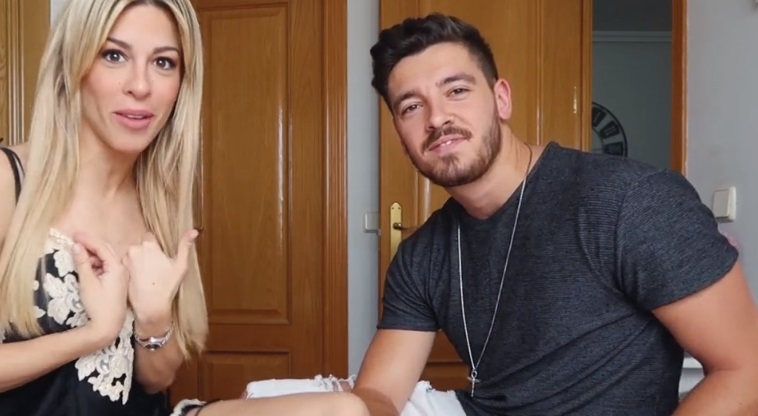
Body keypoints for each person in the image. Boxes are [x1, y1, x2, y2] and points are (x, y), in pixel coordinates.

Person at [348, 12, 758, 416]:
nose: (436, 118)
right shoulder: (421, 256)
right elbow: (379, 394)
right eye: (411, 106)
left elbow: (746, 372)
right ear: (401, 135)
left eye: (456, 90)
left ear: (501, 99)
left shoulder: (631, 200)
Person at [0, 1, 370, 415]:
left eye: (163, 62)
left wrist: (155, 319)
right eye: (114, 55)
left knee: (345, 410)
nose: (140, 85)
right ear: (73, 64)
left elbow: (157, 379)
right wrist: (95, 333)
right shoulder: (9, 180)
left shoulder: (160, 206)